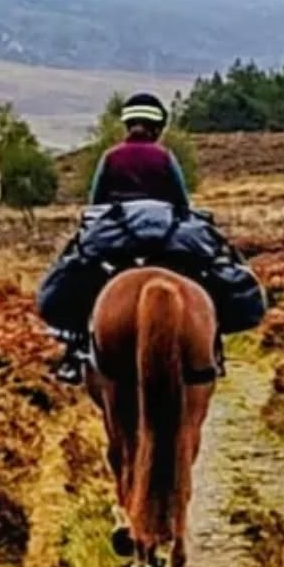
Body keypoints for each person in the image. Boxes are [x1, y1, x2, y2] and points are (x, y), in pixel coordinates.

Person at [53, 91, 189, 383]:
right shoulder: (166, 157)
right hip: (164, 239)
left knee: (77, 276)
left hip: (116, 241)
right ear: (158, 128)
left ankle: (74, 348)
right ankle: (212, 345)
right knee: (203, 269)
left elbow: (96, 203)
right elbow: (182, 203)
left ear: (127, 125)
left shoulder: (110, 158)